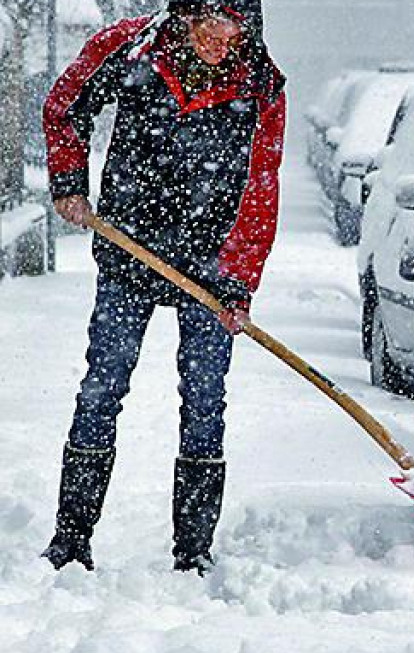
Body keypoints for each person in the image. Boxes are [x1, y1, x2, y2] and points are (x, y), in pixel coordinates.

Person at [41, 0, 285, 575]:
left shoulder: (261, 85)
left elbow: (261, 185)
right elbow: (64, 108)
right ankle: (71, 538)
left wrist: (239, 283)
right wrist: (69, 182)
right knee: (102, 389)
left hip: (209, 272)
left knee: (205, 402)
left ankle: (193, 549)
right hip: (129, 253)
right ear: (186, 20)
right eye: (209, 27)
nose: (219, 42)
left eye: (232, 30)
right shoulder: (130, 48)